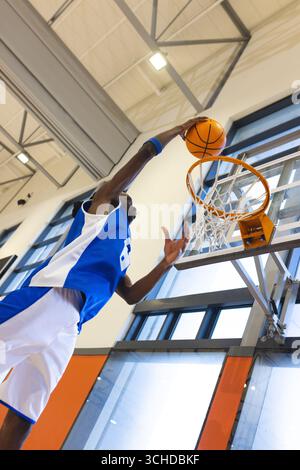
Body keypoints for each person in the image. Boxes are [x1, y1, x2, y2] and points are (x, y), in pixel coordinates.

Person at [0, 117, 206, 449]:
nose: (121, 192)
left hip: (70, 327)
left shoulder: (122, 246)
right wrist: (174, 132)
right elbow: (139, 158)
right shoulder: (97, 216)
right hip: (48, 298)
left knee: (25, 411)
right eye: (116, 191)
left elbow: (130, 294)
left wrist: (166, 264)